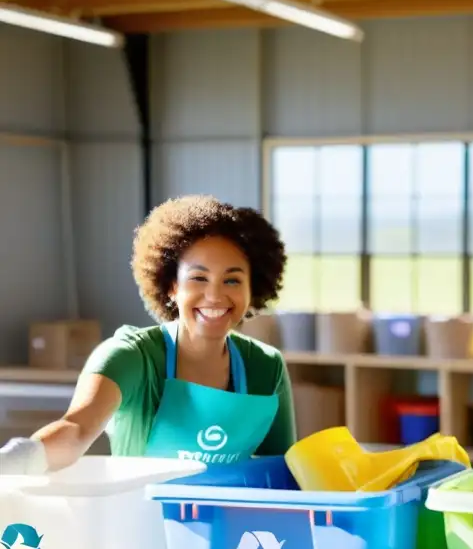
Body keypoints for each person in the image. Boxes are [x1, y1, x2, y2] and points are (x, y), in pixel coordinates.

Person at [0, 195, 295, 475]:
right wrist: (18, 459)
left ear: (252, 288)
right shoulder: (131, 357)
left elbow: (282, 472)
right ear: (171, 287)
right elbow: (76, 430)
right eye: (198, 278)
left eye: (232, 280)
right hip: (137, 523)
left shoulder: (266, 367)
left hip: (223, 528)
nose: (215, 295)